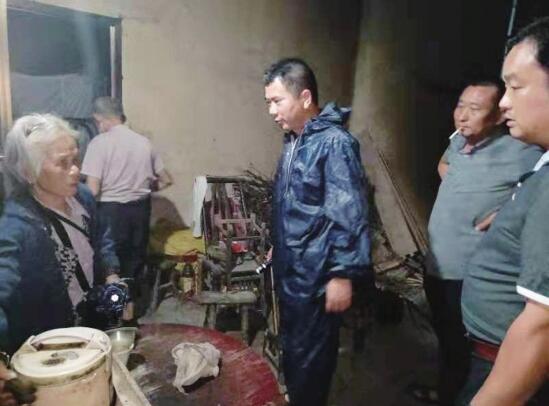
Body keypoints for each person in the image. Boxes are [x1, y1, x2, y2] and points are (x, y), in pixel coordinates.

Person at [419, 79, 542, 405]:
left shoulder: (522, 149)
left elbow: (538, 188)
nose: (462, 115)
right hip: (436, 266)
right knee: (447, 339)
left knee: (468, 349)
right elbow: (444, 164)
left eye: (474, 109)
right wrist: (460, 185)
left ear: (498, 115)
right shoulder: (459, 140)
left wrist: (507, 209)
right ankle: (446, 392)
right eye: (460, 105)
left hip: (468, 274)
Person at [264, 58, 370, 405]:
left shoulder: (334, 143)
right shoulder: (294, 140)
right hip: (292, 268)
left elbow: (349, 212)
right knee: (294, 347)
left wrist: (342, 274)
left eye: (277, 101)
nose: (271, 111)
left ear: (305, 97)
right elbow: (293, 203)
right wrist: (278, 243)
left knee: (312, 358)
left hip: (317, 274)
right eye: (269, 102)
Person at [460, 17, 549, 405]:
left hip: (510, 370)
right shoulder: (542, 166)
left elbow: (541, 326)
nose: (504, 102)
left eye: (516, 86)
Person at [0, 114, 120, 355]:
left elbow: (101, 239)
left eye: (75, 159)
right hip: (51, 343)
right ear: (28, 171)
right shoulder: (16, 225)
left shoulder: (82, 197)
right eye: (63, 163)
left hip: (91, 321)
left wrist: (111, 276)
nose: (76, 170)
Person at [81, 97, 172, 288]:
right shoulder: (144, 142)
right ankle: (131, 303)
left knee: (110, 266)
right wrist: (142, 188)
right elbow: (166, 179)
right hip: (140, 210)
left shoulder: (99, 143)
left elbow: (93, 190)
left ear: (99, 118)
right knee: (134, 262)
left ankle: (114, 303)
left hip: (110, 211)